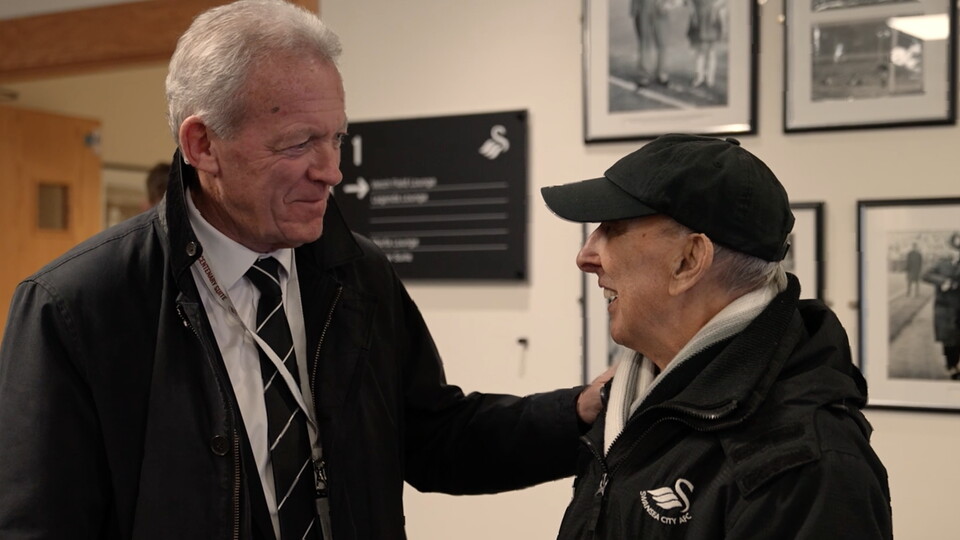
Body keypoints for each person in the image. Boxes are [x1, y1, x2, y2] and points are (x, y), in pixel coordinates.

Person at [0, 2, 607, 539]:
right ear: (202, 145)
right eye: (297, 144)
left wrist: (579, 411)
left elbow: (434, 438)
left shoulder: (359, 275)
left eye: (336, 139)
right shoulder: (77, 306)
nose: (331, 171)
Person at [541, 134, 893, 539]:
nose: (585, 257)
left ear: (689, 261)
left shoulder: (806, 469)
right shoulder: (633, 401)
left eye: (613, 228)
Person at [921, 233, 960, 380]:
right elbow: (925, 275)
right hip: (945, 307)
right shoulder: (941, 263)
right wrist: (943, 281)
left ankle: (955, 365)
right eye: (954, 247)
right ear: (950, 248)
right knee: (948, 340)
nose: (956, 251)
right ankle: (952, 366)